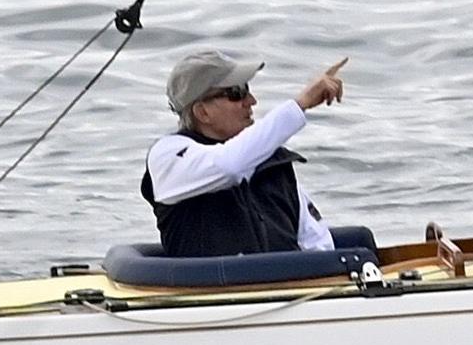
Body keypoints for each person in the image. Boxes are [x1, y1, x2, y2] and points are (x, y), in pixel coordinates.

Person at [141, 50, 348, 258]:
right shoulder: (168, 155)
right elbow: (229, 166)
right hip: (212, 286)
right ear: (202, 112)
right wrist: (300, 104)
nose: (251, 101)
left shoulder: (273, 160)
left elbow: (318, 244)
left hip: (294, 286)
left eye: (247, 89)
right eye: (236, 92)